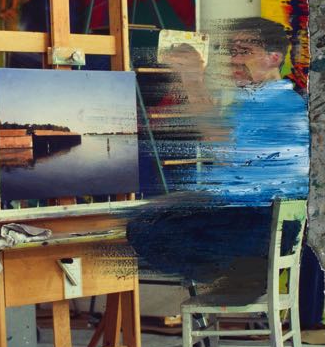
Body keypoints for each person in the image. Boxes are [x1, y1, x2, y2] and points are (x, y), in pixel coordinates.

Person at [127, 17, 310, 295]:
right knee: (154, 217)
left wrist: (192, 79)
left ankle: (244, 277)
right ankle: (237, 278)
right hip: (258, 222)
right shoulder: (256, 101)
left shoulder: (279, 103)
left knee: (144, 227)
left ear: (273, 58)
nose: (234, 60)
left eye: (244, 52)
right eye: (232, 52)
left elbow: (222, 145)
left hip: (260, 227)